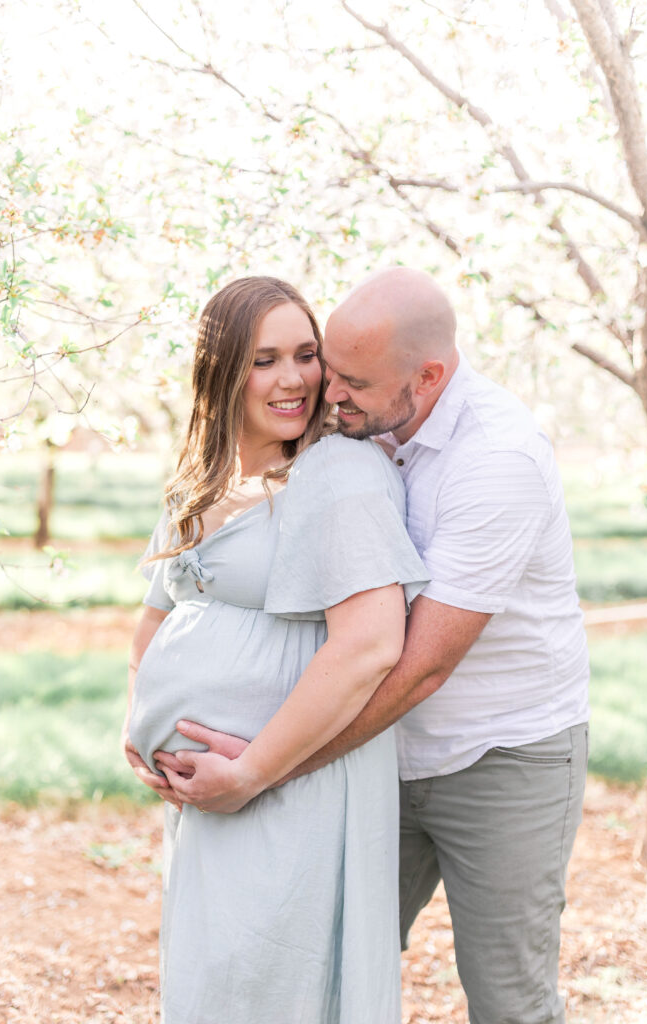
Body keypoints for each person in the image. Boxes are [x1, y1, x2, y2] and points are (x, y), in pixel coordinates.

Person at [165, 268, 590, 1024]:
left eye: (350, 381)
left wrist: (266, 768)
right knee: (319, 951)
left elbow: (417, 663)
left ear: (426, 378)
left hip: (496, 755)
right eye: (332, 369)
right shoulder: (358, 424)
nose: (327, 395)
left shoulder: (498, 461)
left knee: (507, 995)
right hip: (374, 754)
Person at [122, 275, 428, 1024]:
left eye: (305, 354)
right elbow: (158, 615)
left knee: (270, 980)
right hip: (210, 792)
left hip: (290, 781)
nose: (292, 379)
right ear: (221, 370)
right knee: (216, 979)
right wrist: (139, 724)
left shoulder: (335, 476)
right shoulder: (201, 480)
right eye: (264, 360)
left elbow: (368, 646)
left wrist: (251, 771)